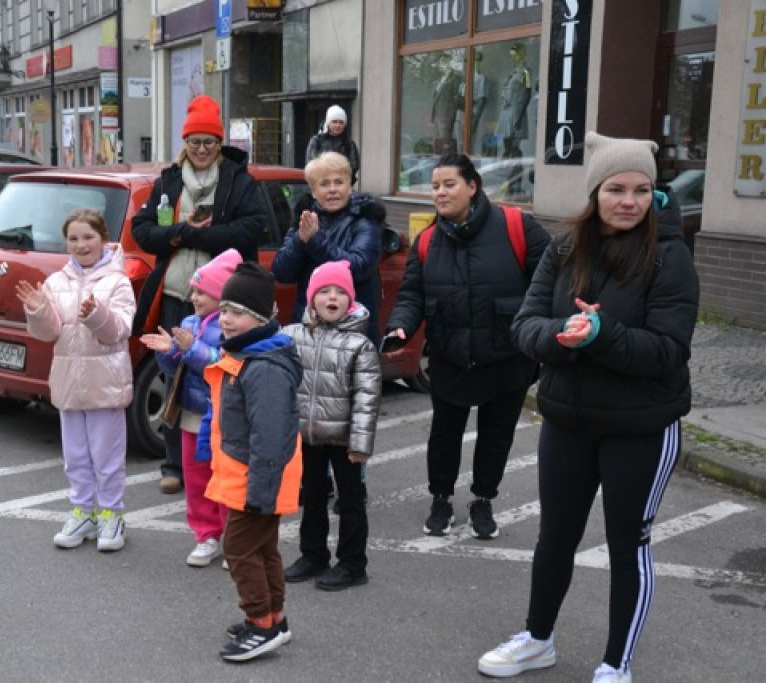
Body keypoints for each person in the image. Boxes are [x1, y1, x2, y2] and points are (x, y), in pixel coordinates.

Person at [478, 133, 699, 683]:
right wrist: (565, 335)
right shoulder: (563, 248)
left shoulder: (670, 258)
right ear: (595, 192)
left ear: (654, 194)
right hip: (568, 420)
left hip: (640, 428)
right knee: (555, 536)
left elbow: (668, 352)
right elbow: (526, 326)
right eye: (617, 189)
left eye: (642, 190)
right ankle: (537, 639)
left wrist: (601, 333)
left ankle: (615, 665)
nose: (630, 201)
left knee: (629, 546)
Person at [384, 153, 550, 540]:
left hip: (506, 356)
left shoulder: (517, 227)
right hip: (450, 355)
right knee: (445, 434)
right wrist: (399, 328)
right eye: (435, 186)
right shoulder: (426, 241)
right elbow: (411, 295)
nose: (440, 193)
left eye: (449, 184)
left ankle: (482, 501)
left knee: (496, 434)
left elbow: (550, 282)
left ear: (473, 186)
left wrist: (542, 332)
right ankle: (440, 499)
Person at [131, 94, 269, 495]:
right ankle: (174, 464)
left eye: (210, 142)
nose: (203, 150)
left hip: (226, 301)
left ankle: (223, 457)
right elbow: (143, 232)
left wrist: (201, 234)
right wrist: (178, 232)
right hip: (179, 294)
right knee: (176, 373)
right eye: (195, 142)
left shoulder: (239, 181)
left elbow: (253, 229)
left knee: (224, 374)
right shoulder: (168, 182)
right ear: (184, 144)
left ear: (220, 143)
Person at [15, 208, 136, 553]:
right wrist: (38, 310)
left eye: (88, 237)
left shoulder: (118, 282)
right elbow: (49, 333)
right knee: (76, 455)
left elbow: (119, 330)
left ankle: (111, 514)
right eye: (73, 238)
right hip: (68, 381)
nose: (81, 245)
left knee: (107, 455)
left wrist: (96, 314)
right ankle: (83, 511)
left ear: (103, 240)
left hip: (106, 382)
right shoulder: (55, 282)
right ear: (65, 242)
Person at [203, 262, 303, 662]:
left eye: (237, 312)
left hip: (257, 478)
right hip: (250, 475)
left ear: (260, 318)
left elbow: (271, 435)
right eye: (224, 309)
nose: (226, 319)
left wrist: (261, 490)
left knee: (239, 549)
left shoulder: (262, 368)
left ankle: (261, 624)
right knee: (263, 549)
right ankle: (274, 616)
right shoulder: (248, 356)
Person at [281, 260, 380, 591]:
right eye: (324, 291)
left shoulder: (360, 346)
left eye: (340, 292)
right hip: (308, 436)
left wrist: (360, 444)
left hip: (343, 439)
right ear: (312, 299)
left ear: (350, 301)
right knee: (312, 496)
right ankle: (313, 555)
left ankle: (353, 564)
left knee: (350, 502)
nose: (332, 297)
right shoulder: (294, 335)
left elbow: (367, 398)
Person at [140, 248, 242, 568]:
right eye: (194, 290)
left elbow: (222, 365)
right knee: (196, 478)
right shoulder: (188, 321)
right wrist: (168, 352)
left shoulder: (232, 326)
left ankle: (232, 539)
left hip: (221, 416)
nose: (194, 296)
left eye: (203, 291)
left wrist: (191, 348)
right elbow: (175, 369)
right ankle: (205, 535)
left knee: (224, 478)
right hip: (190, 413)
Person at [271, 151, 384, 346]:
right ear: (314, 191)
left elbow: (358, 267)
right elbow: (282, 272)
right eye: (324, 184)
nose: (332, 190)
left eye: (339, 182)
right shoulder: (305, 219)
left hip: (352, 330)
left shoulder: (365, 220)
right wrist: (300, 240)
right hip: (309, 327)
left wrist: (315, 241)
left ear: (350, 186)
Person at [305, 105, 361, 184]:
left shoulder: (349, 144)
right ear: (328, 123)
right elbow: (311, 163)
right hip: (321, 183)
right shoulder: (316, 141)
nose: (338, 125)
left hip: (342, 184)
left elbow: (354, 166)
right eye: (334, 122)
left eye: (341, 122)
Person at [497, 43, 532, 160]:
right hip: (506, 111)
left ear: (521, 54)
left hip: (516, 112)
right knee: (506, 145)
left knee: (514, 146)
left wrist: (520, 115)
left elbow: (528, 93)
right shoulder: (512, 73)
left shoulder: (526, 72)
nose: (512, 58)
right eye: (511, 55)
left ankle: (516, 174)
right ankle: (505, 171)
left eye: (515, 55)